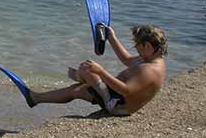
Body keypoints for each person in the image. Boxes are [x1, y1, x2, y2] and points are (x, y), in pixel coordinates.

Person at [15, 24, 167, 117]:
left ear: (147, 46)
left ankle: (80, 76)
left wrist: (101, 72)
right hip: (116, 98)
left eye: (138, 47)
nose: (136, 50)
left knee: (87, 69)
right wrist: (111, 37)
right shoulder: (150, 59)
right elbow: (126, 59)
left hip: (118, 106)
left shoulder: (149, 70)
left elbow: (127, 91)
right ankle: (34, 98)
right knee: (76, 90)